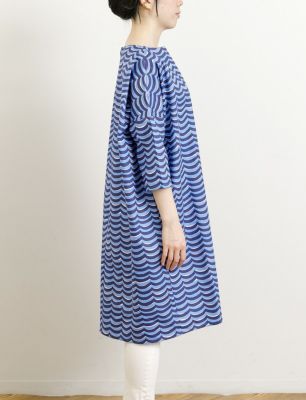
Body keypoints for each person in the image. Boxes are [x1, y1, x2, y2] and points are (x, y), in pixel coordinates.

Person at [102, 0, 223, 398]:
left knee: (144, 318)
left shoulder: (144, 58)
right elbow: (151, 147)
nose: (181, 1)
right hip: (150, 212)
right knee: (146, 322)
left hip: (146, 206)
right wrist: (170, 221)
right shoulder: (145, 64)